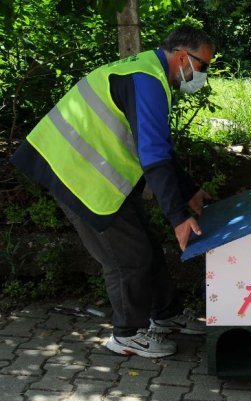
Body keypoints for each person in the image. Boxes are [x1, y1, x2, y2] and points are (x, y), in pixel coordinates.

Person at [11, 25, 213, 358]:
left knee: (146, 244)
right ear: (182, 57)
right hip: (76, 173)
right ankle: (127, 334)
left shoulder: (149, 73)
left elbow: (158, 146)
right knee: (128, 257)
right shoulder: (147, 80)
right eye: (203, 66)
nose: (203, 74)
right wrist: (178, 216)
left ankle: (166, 316)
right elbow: (154, 156)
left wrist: (188, 190)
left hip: (92, 171)